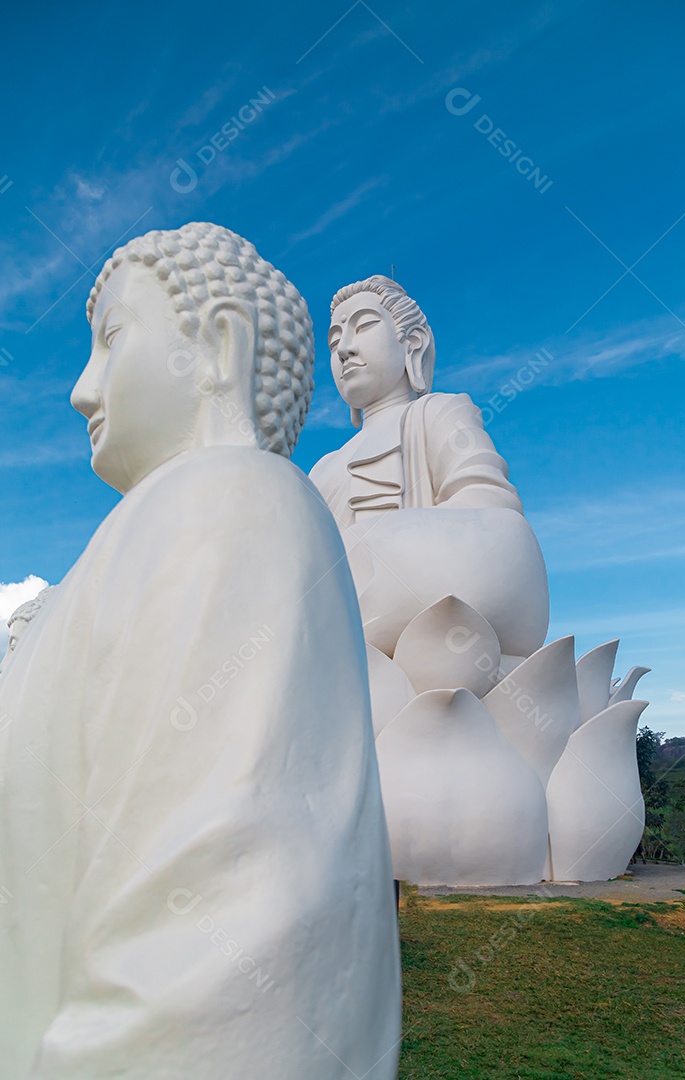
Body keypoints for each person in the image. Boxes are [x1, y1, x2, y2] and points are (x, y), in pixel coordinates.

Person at [0, 225, 400, 1079]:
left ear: (221, 344)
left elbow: (211, 952)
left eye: (112, 342)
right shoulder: (128, 545)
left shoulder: (231, 503)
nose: (80, 390)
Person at [309, 275, 549, 663]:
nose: (344, 350)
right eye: (334, 341)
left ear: (413, 343)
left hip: (421, 620)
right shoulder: (322, 468)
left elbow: (491, 513)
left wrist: (370, 544)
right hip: (335, 616)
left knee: (512, 542)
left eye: (364, 326)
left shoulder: (437, 413)